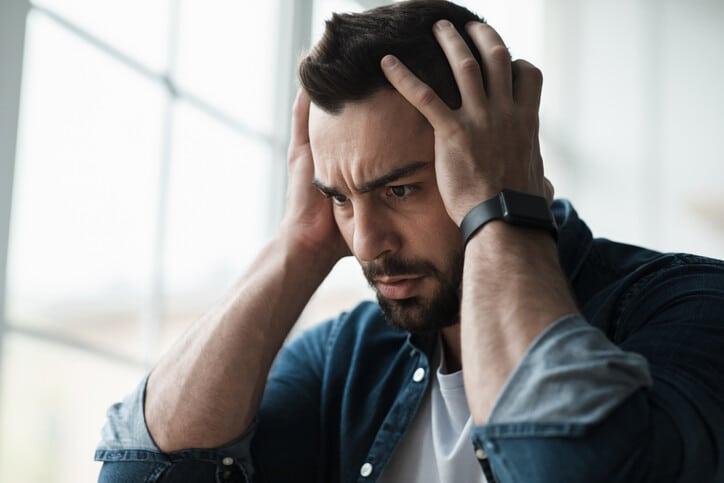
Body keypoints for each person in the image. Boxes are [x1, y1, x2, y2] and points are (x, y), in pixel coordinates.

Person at [94, 1, 724, 482]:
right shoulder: (346, 357)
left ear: (496, 154)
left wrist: (501, 208)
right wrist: (300, 242)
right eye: (341, 198)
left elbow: (567, 462)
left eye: (399, 190)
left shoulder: (691, 302)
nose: (365, 243)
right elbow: (143, 471)